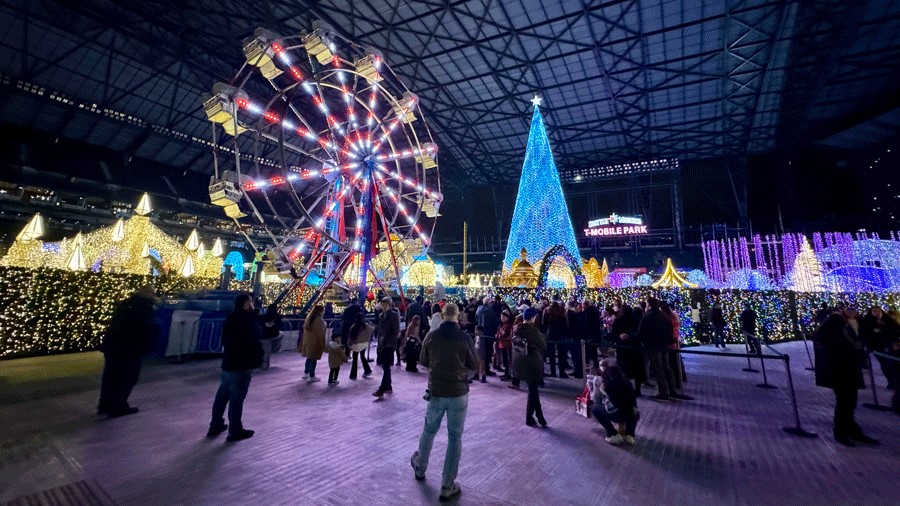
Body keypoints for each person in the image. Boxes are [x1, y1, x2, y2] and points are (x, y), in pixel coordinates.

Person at [410, 303, 477, 501]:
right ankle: (447, 485)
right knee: (454, 438)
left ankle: (420, 467)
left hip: (437, 390)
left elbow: (423, 359)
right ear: (458, 316)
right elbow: (474, 363)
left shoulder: (432, 335)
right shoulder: (464, 337)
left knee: (429, 430)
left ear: (442, 315)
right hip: (458, 392)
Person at [813, 312, 879, 447]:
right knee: (844, 401)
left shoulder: (846, 328)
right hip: (841, 370)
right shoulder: (836, 329)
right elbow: (840, 349)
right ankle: (840, 432)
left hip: (848, 370)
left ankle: (851, 429)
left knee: (849, 401)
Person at [208, 292, 263, 442]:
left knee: (222, 395)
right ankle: (235, 430)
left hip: (228, 362)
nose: (253, 304)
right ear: (245, 303)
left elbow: (226, 339)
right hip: (242, 364)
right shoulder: (247, 320)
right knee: (237, 398)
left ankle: (215, 424)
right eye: (251, 301)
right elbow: (256, 337)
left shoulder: (231, 317)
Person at [97, 285, 159, 418]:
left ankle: (104, 405)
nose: (154, 295)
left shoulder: (127, 304)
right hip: (131, 348)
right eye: (152, 293)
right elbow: (146, 329)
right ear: (148, 294)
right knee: (127, 378)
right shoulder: (145, 308)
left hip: (113, 346)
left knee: (111, 376)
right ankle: (119, 406)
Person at [590, 358, 639, 445]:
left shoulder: (605, 385)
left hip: (615, 414)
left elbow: (596, 399)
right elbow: (634, 403)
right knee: (634, 410)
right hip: (630, 413)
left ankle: (613, 434)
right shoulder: (628, 384)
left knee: (595, 408)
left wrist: (595, 387)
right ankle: (630, 435)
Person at [638, 298, 677, 402]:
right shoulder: (664, 315)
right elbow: (670, 329)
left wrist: (644, 342)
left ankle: (663, 392)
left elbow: (641, 331)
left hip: (653, 345)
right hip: (664, 345)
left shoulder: (647, 316)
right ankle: (672, 390)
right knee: (666, 367)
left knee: (658, 368)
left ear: (649, 305)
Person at [516, 308, 548, 427]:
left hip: (522, 362)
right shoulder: (533, 331)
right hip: (533, 362)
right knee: (533, 391)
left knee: (533, 390)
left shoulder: (517, 329)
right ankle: (533, 418)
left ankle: (537, 417)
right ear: (533, 318)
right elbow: (544, 346)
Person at [861, 306, 899, 390]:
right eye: (874, 311)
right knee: (886, 364)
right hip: (878, 347)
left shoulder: (888, 320)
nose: (877, 313)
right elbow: (866, 334)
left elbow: (896, 330)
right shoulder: (868, 322)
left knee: (894, 364)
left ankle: (895, 380)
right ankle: (891, 381)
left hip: (891, 346)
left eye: (878, 310)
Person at [612, 303, 646, 397]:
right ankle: (637, 389)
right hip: (634, 348)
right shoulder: (637, 321)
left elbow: (614, 334)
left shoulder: (618, 321)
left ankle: (626, 388)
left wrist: (620, 336)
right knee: (636, 369)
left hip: (624, 348)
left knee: (624, 369)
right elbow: (640, 333)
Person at [374, 297, 400, 398]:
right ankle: (388, 386)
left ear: (389, 305)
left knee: (386, 366)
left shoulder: (393, 315)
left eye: (386, 305)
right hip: (382, 344)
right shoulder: (381, 316)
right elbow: (380, 330)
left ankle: (382, 388)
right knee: (386, 367)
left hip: (389, 344)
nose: (384, 307)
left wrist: (390, 343)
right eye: (382, 305)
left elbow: (395, 330)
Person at [300, 304, 327, 383]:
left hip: (308, 341)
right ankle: (312, 375)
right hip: (315, 342)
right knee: (313, 359)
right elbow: (320, 333)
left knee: (309, 358)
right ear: (320, 311)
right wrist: (323, 344)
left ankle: (306, 372)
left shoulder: (309, 319)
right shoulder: (318, 320)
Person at [543, 298, 569, 378]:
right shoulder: (562, 310)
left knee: (551, 354)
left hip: (550, 332)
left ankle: (553, 372)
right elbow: (566, 323)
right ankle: (562, 372)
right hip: (560, 333)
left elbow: (543, 322)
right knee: (562, 353)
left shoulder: (547, 310)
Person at [476, 297, 499, 379]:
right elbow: (495, 322)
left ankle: (480, 371)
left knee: (480, 352)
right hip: (489, 333)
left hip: (480, 333)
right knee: (488, 352)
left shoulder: (479, 309)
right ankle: (486, 369)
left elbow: (476, 319)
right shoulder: (490, 311)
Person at [348, 313, 374, 380]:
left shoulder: (353, 326)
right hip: (364, 344)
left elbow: (350, 337)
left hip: (356, 345)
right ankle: (367, 370)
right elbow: (372, 329)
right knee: (363, 357)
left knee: (355, 359)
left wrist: (349, 344)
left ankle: (353, 375)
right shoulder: (365, 326)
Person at [259, 303, 281, 370]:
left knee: (264, 351)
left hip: (262, 335)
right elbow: (278, 326)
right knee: (267, 352)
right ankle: (275, 348)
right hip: (271, 335)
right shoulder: (277, 316)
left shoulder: (264, 316)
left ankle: (262, 364)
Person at [508, 314, 526, 390]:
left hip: (518, 350)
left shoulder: (519, 326)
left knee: (516, 366)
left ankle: (515, 383)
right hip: (522, 351)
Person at [568, 301, 585, 379]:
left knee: (576, 355)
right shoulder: (577, 315)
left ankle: (579, 372)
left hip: (575, 337)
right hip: (576, 336)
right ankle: (577, 371)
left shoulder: (573, 315)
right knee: (575, 356)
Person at [583, 300, 602, 369]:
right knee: (593, 350)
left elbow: (587, 323)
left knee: (590, 350)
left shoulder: (589, 312)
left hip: (590, 334)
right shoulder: (595, 310)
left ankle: (589, 363)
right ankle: (595, 364)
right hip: (595, 333)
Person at [496, 310, 514, 380]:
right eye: (501, 316)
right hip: (502, 344)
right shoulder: (503, 325)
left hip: (506, 345)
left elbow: (504, 334)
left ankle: (508, 374)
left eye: (504, 316)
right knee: (505, 359)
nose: (502, 317)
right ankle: (506, 373)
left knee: (507, 359)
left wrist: (499, 334)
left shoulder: (508, 325)